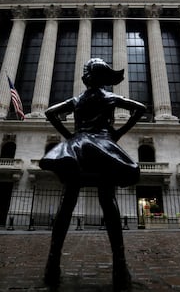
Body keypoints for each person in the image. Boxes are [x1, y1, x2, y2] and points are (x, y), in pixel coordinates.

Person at [39, 58, 146, 290]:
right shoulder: (110, 98)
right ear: (104, 79)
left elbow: (49, 113)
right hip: (103, 149)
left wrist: (70, 136)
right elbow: (141, 109)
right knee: (108, 200)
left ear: (87, 77)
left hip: (77, 148)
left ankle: (52, 264)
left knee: (67, 202)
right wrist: (117, 134)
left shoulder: (77, 99)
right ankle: (119, 266)